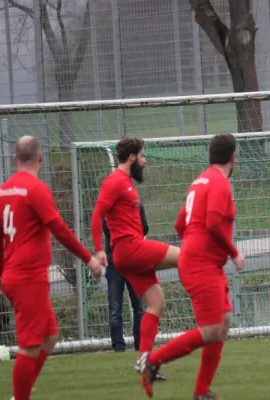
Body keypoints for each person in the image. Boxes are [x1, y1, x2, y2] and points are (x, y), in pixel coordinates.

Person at [140, 133, 245, 400]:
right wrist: (233, 253)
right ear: (233, 159)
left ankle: (201, 391)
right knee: (210, 330)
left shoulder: (199, 181)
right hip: (202, 265)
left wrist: (195, 246)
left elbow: (179, 224)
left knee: (222, 323)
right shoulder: (220, 183)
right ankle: (152, 361)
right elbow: (211, 224)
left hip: (203, 262)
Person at [0, 136, 102, 400]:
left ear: (14, 159)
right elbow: (59, 230)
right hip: (28, 277)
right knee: (30, 346)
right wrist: (88, 258)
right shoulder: (35, 189)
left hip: (13, 275)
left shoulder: (2, 191)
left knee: (50, 335)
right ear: (40, 158)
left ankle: (21, 393)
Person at [90, 137, 180, 374]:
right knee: (187, 256)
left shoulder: (126, 182)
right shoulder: (114, 181)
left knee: (156, 304)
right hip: (130, 249)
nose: (145, 160)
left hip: (130, 251)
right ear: (132, 158)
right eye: (142, 156)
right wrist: (99, 249)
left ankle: (144, 362)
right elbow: (96, 214)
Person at [102, 201, 167, 381]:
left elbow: (142, 226)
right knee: (127, 307)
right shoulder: (124, 203)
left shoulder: (128, 203)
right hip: (121, 259)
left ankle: (135, 348)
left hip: (124, 257)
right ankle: (126, 348)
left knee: (134, 306)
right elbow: (141, 227)